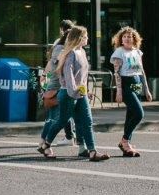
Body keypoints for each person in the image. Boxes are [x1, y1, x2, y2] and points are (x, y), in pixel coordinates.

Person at [38, 25, 109, 162]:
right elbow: (68, 76)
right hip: (68, 94)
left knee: (87, 121)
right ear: (79, 38)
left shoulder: (81, 52)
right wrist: (74, 92)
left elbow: (83, 75)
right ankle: (46, 144)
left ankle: (92, 152)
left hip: (79, 94)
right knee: (62, 121)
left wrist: (85, 91)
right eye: (86, 36)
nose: (88, 38)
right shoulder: (70, 53)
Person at [111, 26, 152, 157]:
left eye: (129, 36)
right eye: (124, 37)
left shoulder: (137, 52)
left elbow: (142, 71)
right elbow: (116, 73)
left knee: (131, 114)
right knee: (139, 113)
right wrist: (118, 91)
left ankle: (126, 145)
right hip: (126, 83)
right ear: (121, 40)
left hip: (137, 83)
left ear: (134, 39)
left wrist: (147, 89)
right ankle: (125, 140)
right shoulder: (119, 52)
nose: (127, 39)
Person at [40, 20, 81, 149]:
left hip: (60, 84)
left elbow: (53, 65)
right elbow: (55, 64)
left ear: (62, 30)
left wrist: (44, 75)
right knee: (64, 114)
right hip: (62, 84)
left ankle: (44, 142)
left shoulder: (63, 46)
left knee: (56, 116)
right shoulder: (64, 47)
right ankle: (70, 137)